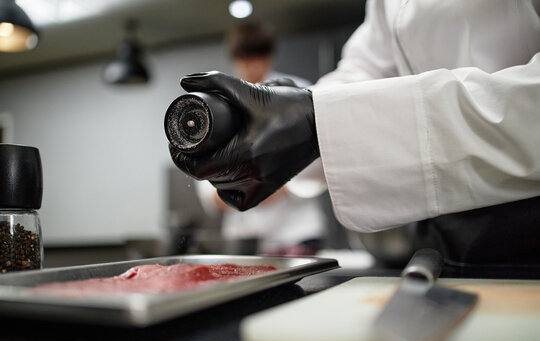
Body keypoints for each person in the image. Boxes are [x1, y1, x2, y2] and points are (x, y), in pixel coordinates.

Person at [170, 1, 540, 269]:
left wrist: (316, 122)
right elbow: (361, 72)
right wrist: (311, 113)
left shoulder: (286, 90)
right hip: (443, 238)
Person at [195, 22, 327, 255]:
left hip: (296, 234)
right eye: (246, 60)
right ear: (235, 59)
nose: (253, 67)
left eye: (260, 58)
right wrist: (226, 195)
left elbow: (320, 156)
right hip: (245, 240)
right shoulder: (218, 104)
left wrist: (276, 188)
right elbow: (206, 177)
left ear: (270, 57)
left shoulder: (296, 94)